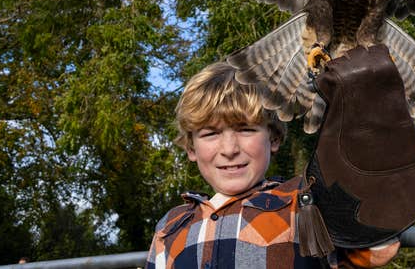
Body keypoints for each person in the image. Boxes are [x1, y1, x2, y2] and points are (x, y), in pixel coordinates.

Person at [145, 61, 399, 268]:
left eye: (245, 130)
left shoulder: (305, 202)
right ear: (191, 148)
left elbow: (378, 249)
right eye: (210, 134)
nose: (230, 149)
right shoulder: (170, 226)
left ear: (274, 137)